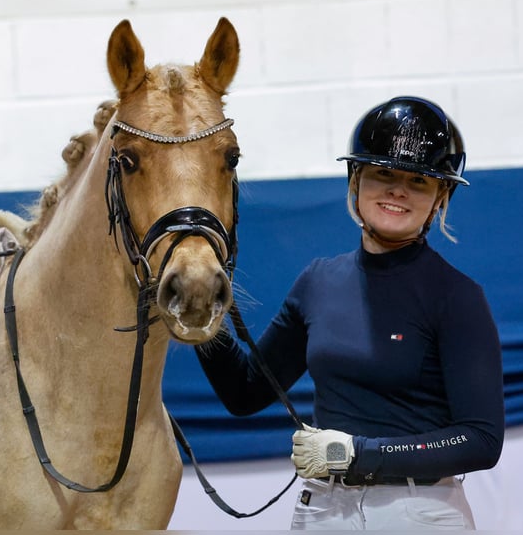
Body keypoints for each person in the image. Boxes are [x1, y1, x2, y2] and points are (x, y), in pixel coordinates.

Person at [195, 96, 505, 530]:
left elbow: (481, 439)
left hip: (418, 512)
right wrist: (203, 323)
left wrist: (359, 454)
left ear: (440, 197)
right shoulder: (318, 281)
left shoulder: (457, 297)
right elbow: (246, 393)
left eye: (418, 181)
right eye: (383, 173)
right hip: (322, 508)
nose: (398, 190)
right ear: (356, 179)